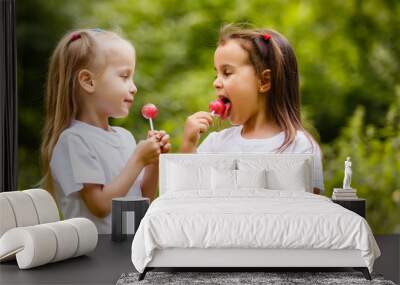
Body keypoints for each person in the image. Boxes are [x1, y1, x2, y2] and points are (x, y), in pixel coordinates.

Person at [40, 29, 171, 234]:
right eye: (124, 76)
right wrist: (138, 160)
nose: (134, 87)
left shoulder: (124, 137)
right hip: (97, 253)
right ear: (88, 81)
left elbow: (145, 199)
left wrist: (152, 162)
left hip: (131, 247)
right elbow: (99, 206)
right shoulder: (74, 140)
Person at [180, 24, 324, 194]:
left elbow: (311, 212)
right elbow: (184, 195)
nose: (216, 83)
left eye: (227, 73)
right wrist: (188, 145)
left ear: (263, 81)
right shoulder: (215, 145)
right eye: (216, 74)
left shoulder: (300, 147)